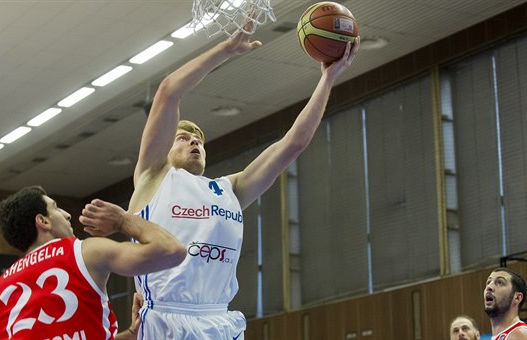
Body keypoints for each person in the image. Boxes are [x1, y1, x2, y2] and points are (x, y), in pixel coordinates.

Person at [127, 18, 360, 339]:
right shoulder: (152, 177)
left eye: (199, 141)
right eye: (182, 138)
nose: (194, 142)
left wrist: (328, 79)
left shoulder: (229, 190)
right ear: (163, 148)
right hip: (168, 319)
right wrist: (226, 49)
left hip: (220, 320)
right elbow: (168, 92)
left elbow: (292, 143)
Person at [0, 185, 186, 339]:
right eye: (56, 208)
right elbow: (172, 250)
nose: (67, 214)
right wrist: (122, 221)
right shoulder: (83, 250)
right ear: (43, 221)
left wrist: (129, 335)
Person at [484, 267, 527, 339]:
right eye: (488, 282)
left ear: (517, 298)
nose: (489, 287)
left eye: (500, 282)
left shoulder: (520, 335)